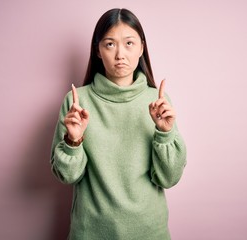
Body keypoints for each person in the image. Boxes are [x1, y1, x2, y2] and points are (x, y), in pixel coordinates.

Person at [50, 8, 187, 240]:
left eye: (129, 43)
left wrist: (164, 133)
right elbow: (67, 176)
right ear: (98, 51)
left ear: (142, 47)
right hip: (90, 232)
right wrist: (73, 141)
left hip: (149, 231)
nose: (120, 54)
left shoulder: (157, 101)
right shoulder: (77, 103)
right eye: (110, 44)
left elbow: (169, 178)